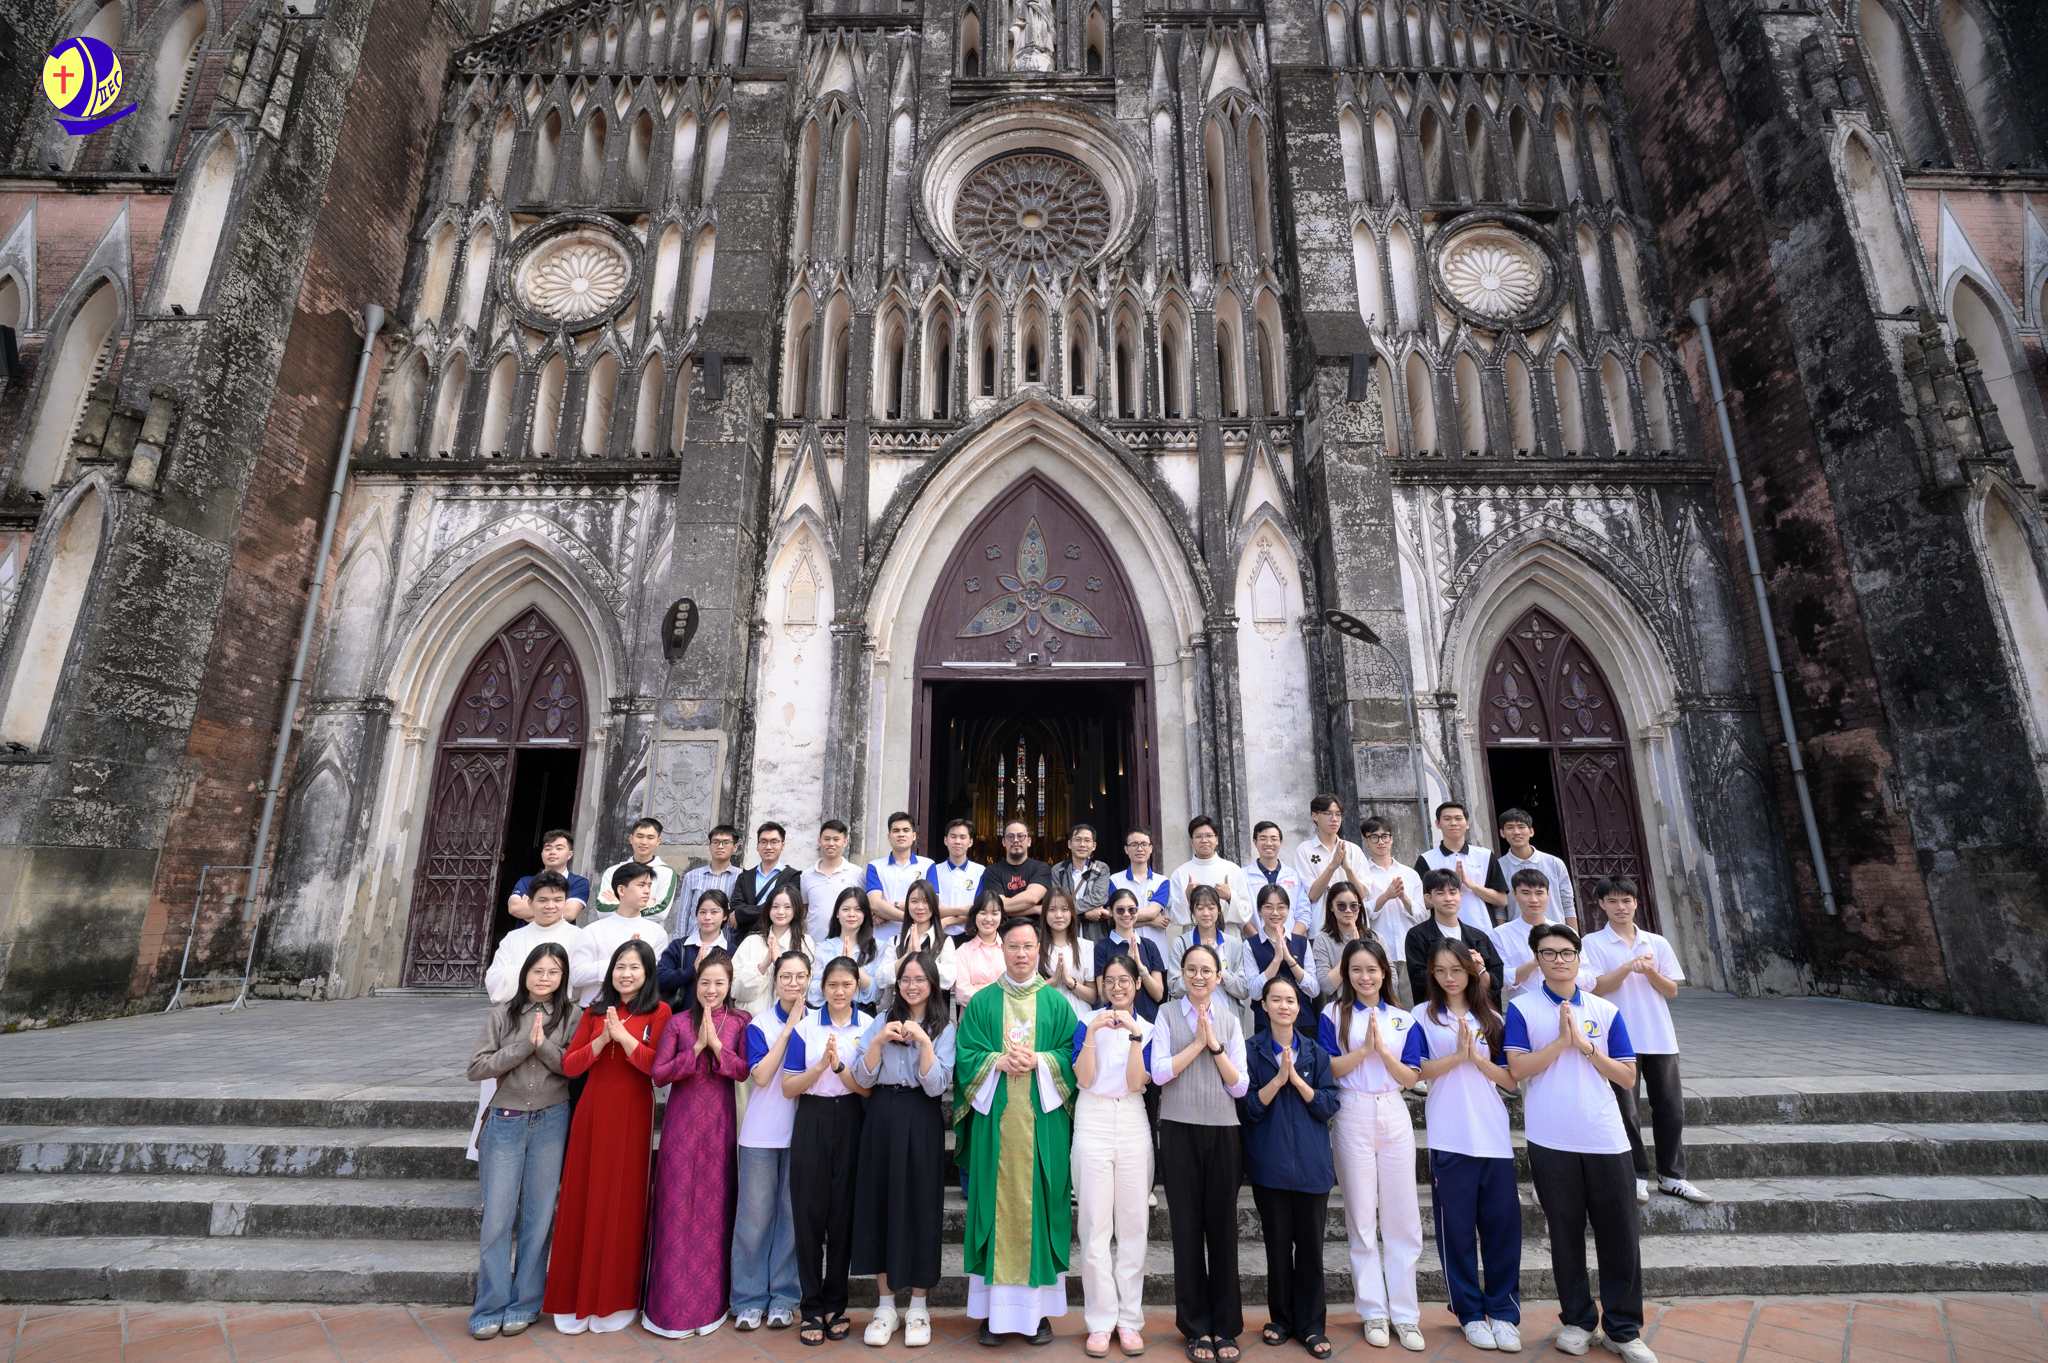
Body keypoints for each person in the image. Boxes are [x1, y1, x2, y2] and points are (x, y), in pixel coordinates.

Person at [1504, 924, 1653, 1363]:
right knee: (1565, 1233)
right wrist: (1560, 1041)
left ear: (1578, 957)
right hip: (1550, 1137)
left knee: (1620, 1234)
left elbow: (1627, 1076)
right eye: (1549, 953)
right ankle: (1578, 1320)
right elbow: (1516, 1070)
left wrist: (1586, 1047)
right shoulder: (1523, 1008)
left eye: (1566, 952)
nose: (1559, 960)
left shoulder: (1605, 1010)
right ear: (1538, 959)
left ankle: (1623, 1328)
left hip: (1605, 1136)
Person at [956, 917, 1082, 1345]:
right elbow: (966, 1056)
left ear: (1038, 948)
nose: (1022, 954)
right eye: (1013, 946)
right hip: (996, 1127)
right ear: (1003, 949)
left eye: (1029, 946)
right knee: (994, 1208)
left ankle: (1038, 1315)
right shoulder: (982, 1003)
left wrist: (1041, 1061)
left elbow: (1072, 1055)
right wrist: (996, 1061)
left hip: (1041, 1126)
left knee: (1041, 1209)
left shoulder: (1056, 1003)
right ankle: (992, 1316)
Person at [544, 939, 671, 1334]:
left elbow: (657, 1068)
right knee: (583, 1196)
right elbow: (570, 1066)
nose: (626, 974)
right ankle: (574, 1296)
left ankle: (616, 1297)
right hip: (593, 1112)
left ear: (648, 973)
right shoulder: (594, 1011)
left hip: (633, 1114)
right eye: (620, 966)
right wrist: (602, 1039)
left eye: (634, 967)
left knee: (623, 1199)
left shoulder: (660, 1012)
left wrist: (626, 1039)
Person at [1401, 938, 1520, 1353]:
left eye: (1456, 970)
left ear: (1470, 971)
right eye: (1440, 971)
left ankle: (1503, 1312)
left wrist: (1476, 1058)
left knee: (1502, 1230)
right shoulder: (1421, 1016)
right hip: (1449, 1136)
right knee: (1457, 1233)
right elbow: (1413, 1072)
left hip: (1493, 1136)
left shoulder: (1492, 1016)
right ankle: (1469, 1312)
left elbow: (1511, 1080)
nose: (1449, 978)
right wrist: (1456, 1056)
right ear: (1431, 974)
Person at [466, 942, 581, 1341]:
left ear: (563, 977)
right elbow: (476, 1067)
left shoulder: (573, 1016)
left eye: (553, 972)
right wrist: (521, 1048)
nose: (544, 978)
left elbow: (573, 1067)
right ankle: (490, 1305)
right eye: (538, 971)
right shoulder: (503, 1014)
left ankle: (525, 1303)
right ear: (526, 974)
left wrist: (543, 1046)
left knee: (539, 1216)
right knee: (498, 1217)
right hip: (506, 1121)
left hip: (551, 1120)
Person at [1318, 938, 1424, 1352]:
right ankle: (1373, 1311)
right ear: (1347, 974)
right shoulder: (1332, 1014)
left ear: (1385, 973)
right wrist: (1365, 1050)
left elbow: (1411, 1077)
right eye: (1356, 970)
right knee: (1361, 1217)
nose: (1365, 977)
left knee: (1403, 1217)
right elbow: (1329, 1068)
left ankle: (1406, 1314)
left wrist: (1382, 1051)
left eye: (1372, 970)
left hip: (1393, 1111)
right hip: (1352, 1110)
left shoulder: (1403, 1019)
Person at [1147, 942, 1250, 1363]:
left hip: (1224, 1132)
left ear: (1219, 976)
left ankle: (1225, 1326)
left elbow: (1240, 1086)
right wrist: (1197, 1044)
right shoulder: (1167, 1015)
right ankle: (1195, 1327)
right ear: (1182, 975)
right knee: (1186, 1230)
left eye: (1207, 970)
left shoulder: (1230, 1020)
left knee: (1223, 1231)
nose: (1199, 977)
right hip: (1178, 1130)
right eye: (1191, 969)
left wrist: (1216, 1046)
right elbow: (1158, 1073)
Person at [645, 948, 752, 1339]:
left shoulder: (741, 1022)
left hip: (720, 1127)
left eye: (719, 983)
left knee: (714, 1210)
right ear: (695, 983)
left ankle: (709, 1307)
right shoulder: (678, 1022)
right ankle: (669, 1309)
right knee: (675, 1208)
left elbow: (744, 1070)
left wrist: (717, 1047)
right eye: (705, 982)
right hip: (681, 1127)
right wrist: (695, 1049)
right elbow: (659, 1074)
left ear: (730, 984)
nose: (711, 989)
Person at [1582, 877, 1709, 1206]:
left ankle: (1672, 1176)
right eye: (1612, 901)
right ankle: (1636, 1175)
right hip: (1617, 1039)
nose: (1620, 907)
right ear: (1601, 905)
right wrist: (1627, 967)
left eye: (1626, 900)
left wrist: (1649, 971)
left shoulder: (1656, 942)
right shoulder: (1592, 943)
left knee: (1671, 1108)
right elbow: (1595, 987)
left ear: (1636, 903)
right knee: (1626, 1111)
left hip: (1659, 1036)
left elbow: (1672, 990)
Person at [850, 952, 956, 1348]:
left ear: (932, 983)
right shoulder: (881, 1019)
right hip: (881, 1115)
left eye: (919, 979)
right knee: (881, 1204)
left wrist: (924, 1040)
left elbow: (936, 1084)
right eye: (906, 980)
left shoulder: (944, 1027)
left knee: (920, 1206)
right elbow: (862, 1076)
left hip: (921, 1115)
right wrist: (880, 1039)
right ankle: (885, 1307)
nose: (912, 986)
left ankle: (918, 1308)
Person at [1242, 974, 1341, 1359]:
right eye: (1276, 999)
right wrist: (1277, 1080)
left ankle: (1312, 1325)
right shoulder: (1251, 1052)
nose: (1284, 1006)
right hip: (1271, 1166)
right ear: (1264, 1005)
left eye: (1291, 1000)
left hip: (1313, 1168)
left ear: (1299, 1008)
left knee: (1312, 1251)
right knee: (1278, 1249)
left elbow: (1328, 1106)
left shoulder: (1316, 1053)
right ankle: (1281, 1319)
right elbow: (1248, 1108)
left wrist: (1297, 1081)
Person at [784, 955, 873, 1345]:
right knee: (808, 1214)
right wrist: (820, 1066)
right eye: (832, 985)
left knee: (842, 1215)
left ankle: (836, 1303)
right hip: (812, 1117)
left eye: (846, 985)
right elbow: (788, 1087)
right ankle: (811, 1307)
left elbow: (867, 1088)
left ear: (856, 987)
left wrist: (839, 1068)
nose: (839, 992)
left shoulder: (868, 1026)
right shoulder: (805, 1028)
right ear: (822, 988)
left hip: (852, 1118)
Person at [1070, 954, 1154, 1358]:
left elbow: (1137, 1082)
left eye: (1125, 980)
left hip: (1133, 1119)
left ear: (1137, 984)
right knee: (1094, 1226)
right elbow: (1084, 1078)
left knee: (1134, 1226)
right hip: (1092, 1119)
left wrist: (1135, 1036)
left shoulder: (1149, 1028)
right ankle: (1101, 1321)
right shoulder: (1085, 1022)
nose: (1117, 987)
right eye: (1110, 981)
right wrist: (1093, 1032)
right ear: (1101, 985)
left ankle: (1130, 1320)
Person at [732, 951, 813, 1331]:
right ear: (775, 981)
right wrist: (789, 1029)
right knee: (753, 1221)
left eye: (800, 976)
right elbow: (761, 1077)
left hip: (803, 1135)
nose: (793, 983)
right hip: (761, 1135)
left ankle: (784, 1297)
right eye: (786, 977)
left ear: (810, 979)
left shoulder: (821, 1021)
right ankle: (748, 1299)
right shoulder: (759, 1024)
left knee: (792, 1220)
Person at [1403, 869, 1503, 1013]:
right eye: (1440, 893)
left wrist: (1479, 969)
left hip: (1478, 1012)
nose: (1448, 898)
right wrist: (1465, 965)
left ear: (1460, 896)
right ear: (1429, 898)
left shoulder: (1479, 937)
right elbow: (1419, 980)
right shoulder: (1417, 936)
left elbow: (1496, 983)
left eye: (1453, 892)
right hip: (1437, 1013)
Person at [572, 862, 672, 1006]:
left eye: (649, 886)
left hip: (638, 1008)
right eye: (641, 885)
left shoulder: (657, 932)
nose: (647, 891)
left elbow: (654, 976)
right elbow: (577, 976)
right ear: (621, 890)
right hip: (595, 1007)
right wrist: (620, 961)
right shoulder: (593, 930)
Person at [1492, 871, 1594, 1008]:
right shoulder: (1500, 934)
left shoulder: (1566, 932)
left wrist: (1564, 966)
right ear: (1514, 895)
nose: (1534, 900)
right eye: (1526, 893)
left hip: (1567, 1006)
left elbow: (1589, 981)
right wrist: (1535, 962)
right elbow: (1499, 980)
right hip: (1524, 1009)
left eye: (1539, 893)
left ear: (1548, 895)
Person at [485, 872, 586, 1002]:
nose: (550, 906)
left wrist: (529, 974)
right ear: (530, 902)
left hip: (564, 1009)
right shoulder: (513, 937)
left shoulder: (580, 936)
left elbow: (582, 980)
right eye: (543, 900)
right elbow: (494, 980)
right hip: (519, 1008)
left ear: (565, 902)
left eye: (557, 900)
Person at [1357, 819, 1424, 1006]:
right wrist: (1385, 896)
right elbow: (1359, 913)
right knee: (1385, 1006)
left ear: (1392, 839)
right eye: (1374, 837)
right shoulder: (1362, 875)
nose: (1381, 841)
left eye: (1385, 836)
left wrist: (1403, 898)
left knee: (1412, 1006)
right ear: (1366, 841)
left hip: (1408, 950)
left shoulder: (1409, 874)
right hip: (1379, 951)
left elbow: (1422, 916)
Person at [1412, 802, 1509, 932]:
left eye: (1458, 818)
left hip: (1484, 931)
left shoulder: (1485, 855)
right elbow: (1420, 903)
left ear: (1467, 824)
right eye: (1447, 819)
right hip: (1444, 933)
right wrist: (1451, 884)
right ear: (1437, 824)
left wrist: (1471, 885)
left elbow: (1502, 900)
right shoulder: (1426, 859)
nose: (1453, 823)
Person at [1169, 883, 1250, 1031]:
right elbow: (1174, 989)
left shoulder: (1234, 944)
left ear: (1219, 910)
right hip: (1190, 1022)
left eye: (1211, 907)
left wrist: (1219, 970)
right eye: (1200, 908)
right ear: (1192, 911)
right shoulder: (1180, 944)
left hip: (1227, 1022)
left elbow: (1244, 990)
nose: (1206, 913)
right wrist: (1198, 973)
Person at [1245, 881, 1317, 1033]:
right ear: (1259, 910)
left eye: (1281, 907)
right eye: (1268, 907)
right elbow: (1254, 993)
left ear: (1288, 910)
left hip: (1302, 1021)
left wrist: (1290, 960)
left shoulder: (1301, 942)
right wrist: (1277, 960)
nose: (1275, 913)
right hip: (1266, 1023)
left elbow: (1314, 990)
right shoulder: (1250, 944)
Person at [732, 883, 813, 1015]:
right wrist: (764, 964)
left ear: (796, 910)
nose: (780, 912)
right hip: (752, 1020)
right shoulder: (751, 941)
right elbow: (734, 990)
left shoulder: (805, 943)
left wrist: (780, 964)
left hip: (790, 1018)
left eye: (787, 907)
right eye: (775, 906)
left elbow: (805, 986)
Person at [1093, 888, 1169, 1024]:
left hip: (1148, 1022)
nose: (1126, 914)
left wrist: (1140, 968)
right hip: (1114, 1022)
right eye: (1120, 910)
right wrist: (1127, 968)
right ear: (1110, 912)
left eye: (1132, 910)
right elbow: (1104, 997)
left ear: (1137, 912)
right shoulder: (1102, 948)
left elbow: (1158, 995)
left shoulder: (1150, 946)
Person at [1170, 815, 1251, 938]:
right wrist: (1186, 896)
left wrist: (1230, 897)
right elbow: (1172, 915)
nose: (1204, 840)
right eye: (1198, 836)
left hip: (1227, 935)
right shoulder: (1180, 873)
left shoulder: (1233, 870)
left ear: (1216, 840)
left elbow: (1247, 911)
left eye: (1209, 836)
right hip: (1193, 936)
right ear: (1191, 841)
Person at [1495, 810, 1576, 931]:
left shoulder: (1554, 863)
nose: (1516, 832)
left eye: (1521, 827)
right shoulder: (1498, 867)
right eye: (1510, 827)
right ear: (1502, 833)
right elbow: (1500, 909)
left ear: (1531, 832)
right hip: (1518, 935)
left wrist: (1573, 938)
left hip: (1555, 933)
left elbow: (1568, 903)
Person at [880, 879, 958, 1000]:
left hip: (934, 1009)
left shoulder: (944, 941)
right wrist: (907, 956)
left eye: (926, 901)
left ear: (934, 905)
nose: (920, 907)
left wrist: (920, 956)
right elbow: (881, 979)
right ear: (907, 905)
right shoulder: (896, 941)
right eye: (914, 901)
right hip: (903, 1009)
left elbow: (948, 979)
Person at [865, 810, 935, 946]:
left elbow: (931, 902)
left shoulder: (928, 865)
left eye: (906, 830)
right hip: (881, 940)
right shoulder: (875, 866)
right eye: (896, 830)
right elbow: (874, 904)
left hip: (918, 937)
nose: (901, 834)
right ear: (889, 836)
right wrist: (911, 918)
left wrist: (886, 910)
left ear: (914, 836)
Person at [656, 887, 734, 1007]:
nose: (707, 917)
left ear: (725, 916)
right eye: (702, 912)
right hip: (682, 1015)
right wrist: (692, 970)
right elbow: (659, 979)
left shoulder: (732, 951)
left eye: (714, 912)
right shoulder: (679, 946)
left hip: (718, 1017)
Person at [596, 817, 680, 927]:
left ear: (658, 841)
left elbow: (660, 913)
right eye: (640, 836)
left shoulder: (666, 872)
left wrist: (621, 902)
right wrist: (646, 904)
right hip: (615, 931)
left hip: (648, 934)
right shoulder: (612, 871)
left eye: (650, 838)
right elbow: (602, 910)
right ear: (631, 839)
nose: (644, 842)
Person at [1294, 794, 1364, 924]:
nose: (1334, 819)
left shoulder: (1353, 850)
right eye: (1328, 814)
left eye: (1338, 814)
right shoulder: (1304, 850)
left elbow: (1362, 894)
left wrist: (1347, 869)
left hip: (1353, 923)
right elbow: (1313, 895)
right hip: (1322, 923)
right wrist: (1332, 866)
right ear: (1314, 816)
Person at [812, 886, 882, 1010]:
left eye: (858, 909)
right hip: (830, 1011)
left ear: (865, 914)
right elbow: (813, 994)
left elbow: (877, 994)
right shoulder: (823, 947)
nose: (851, 914)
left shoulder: (878, 947)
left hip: (864, 1012)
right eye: (845, 909)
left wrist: (853, 967)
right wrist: (835, 975)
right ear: (837, 913)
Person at [1108, 828, 1175, 954]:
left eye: (1144, 844)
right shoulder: (1114, 880)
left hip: (1156, 951)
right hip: (1123, 949)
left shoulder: (1162, 881)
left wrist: (1126, 917)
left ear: (1151, 848)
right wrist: (1151, 921)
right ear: (1126, 849)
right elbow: (1113, 918)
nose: (1139, 849)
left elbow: (1151, 912)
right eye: (1134, 844)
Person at [731, 821, 804, 935]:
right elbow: (735, 908)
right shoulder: (744, 877)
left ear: (783, 845)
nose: (768, 847)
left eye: (774, 842)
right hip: (747, 939)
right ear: (757, 846)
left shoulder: (793, 876)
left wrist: (743, 914)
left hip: (779, 936)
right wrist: (739, 913)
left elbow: (787, 908)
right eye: (763, 842)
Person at [507, 830, 591, 922]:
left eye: (559, 848)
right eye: (548, 849)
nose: (552, 852)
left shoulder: (579, 883)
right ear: (542, 854)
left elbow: (569, 913)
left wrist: (529, 915)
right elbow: (514, 908)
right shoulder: (525, 882)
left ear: (569, 854)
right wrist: (556, 913)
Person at [1246, 820, 1313, 935]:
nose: (1269, 843)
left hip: (1290, 941)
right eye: (1263, 838)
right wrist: (1260, 941)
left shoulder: (1293, 876)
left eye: (1274, 839)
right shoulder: (1243, 876)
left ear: (1280, 842)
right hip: (1257, 942)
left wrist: (1291, 940)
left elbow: (1304, 913)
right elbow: (1242, 916)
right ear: (1255, 842)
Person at [801, 820, 863, 942]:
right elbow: (804, 907)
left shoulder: (857, 873)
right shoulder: (806, 875)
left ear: (845, 842)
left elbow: (863, 906)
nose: (831, 843)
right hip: (814, 941)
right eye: (826, 839)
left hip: (846, 941)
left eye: (836, 839)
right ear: (819, 841)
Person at [1052, 822, 1114, 939]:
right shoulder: (1058, 870)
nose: (1082, 844)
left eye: (1087, 840)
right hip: (1064, 935)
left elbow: (1099, 898)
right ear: (1069, 844)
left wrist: (1066, 908)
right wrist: (1084, 915)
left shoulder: (1101, 869)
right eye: (1077, 840)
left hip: (1094, 936)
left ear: (1094, 846)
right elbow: (1055, 903)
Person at [980, 819, 1053, 916]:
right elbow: (995, 906)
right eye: (1010, 836)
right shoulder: (992, 871)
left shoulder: (1041, 868)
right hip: (1004, 925)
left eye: (1021, 836)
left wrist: (1004, 907)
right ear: (1004, 842)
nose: (1015, 840)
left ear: (1029, 841)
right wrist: (1035, 909)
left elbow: (1032, 898)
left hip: (1034, 925)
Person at [1311, 882, 1374, 995]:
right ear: (1331, 907)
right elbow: (1326, 987)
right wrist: (1349, 951)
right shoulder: (1322, 941)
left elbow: (1392, 982)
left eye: (1354, 906)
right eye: (1341, 906)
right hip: (1341, 1004)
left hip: (1374, 1004)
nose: (1348, 910)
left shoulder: (1375, 938)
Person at [1041, 888, 1097, 1013]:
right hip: (1047, 1014)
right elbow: (1029, 993)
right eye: (1052, 910)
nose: (1058, 915)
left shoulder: (1085, 946)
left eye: (1064, 909)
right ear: (1044, 913)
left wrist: (1070, 982)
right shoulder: (1036, 948)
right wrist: (1053, 981)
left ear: (1072, 913)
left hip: (1079, 1014)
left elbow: (1093, 997)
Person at [953, 891, 1011, 1010]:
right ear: (975, 915)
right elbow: (962, 995)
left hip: (1006, 1017)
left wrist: (978, 987)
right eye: (983, 913)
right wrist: (999, 988)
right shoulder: (963, 951)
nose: (988, 919)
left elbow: (1017, 986)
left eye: (994, 913)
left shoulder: (1010, 948)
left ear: (1001, 916)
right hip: (974, 1017)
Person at [927, 818, 985, 935]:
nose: (957, 841)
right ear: (945, 840)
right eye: (953, 837)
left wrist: (949, 920)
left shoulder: (980, 871)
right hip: (940, 934)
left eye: (963, 837)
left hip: (970, 935)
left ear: (970, 842)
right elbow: (931, 908)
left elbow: (979, 911)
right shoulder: (934, 870)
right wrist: (962, 911)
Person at [680, 824, 743, 918]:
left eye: (726, 842)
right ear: (709, 846)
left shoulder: (742, 877)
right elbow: (683, 913)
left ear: (735, 847)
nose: (720, 846)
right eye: (715, 842)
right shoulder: (692, 876)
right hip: (697, 928)